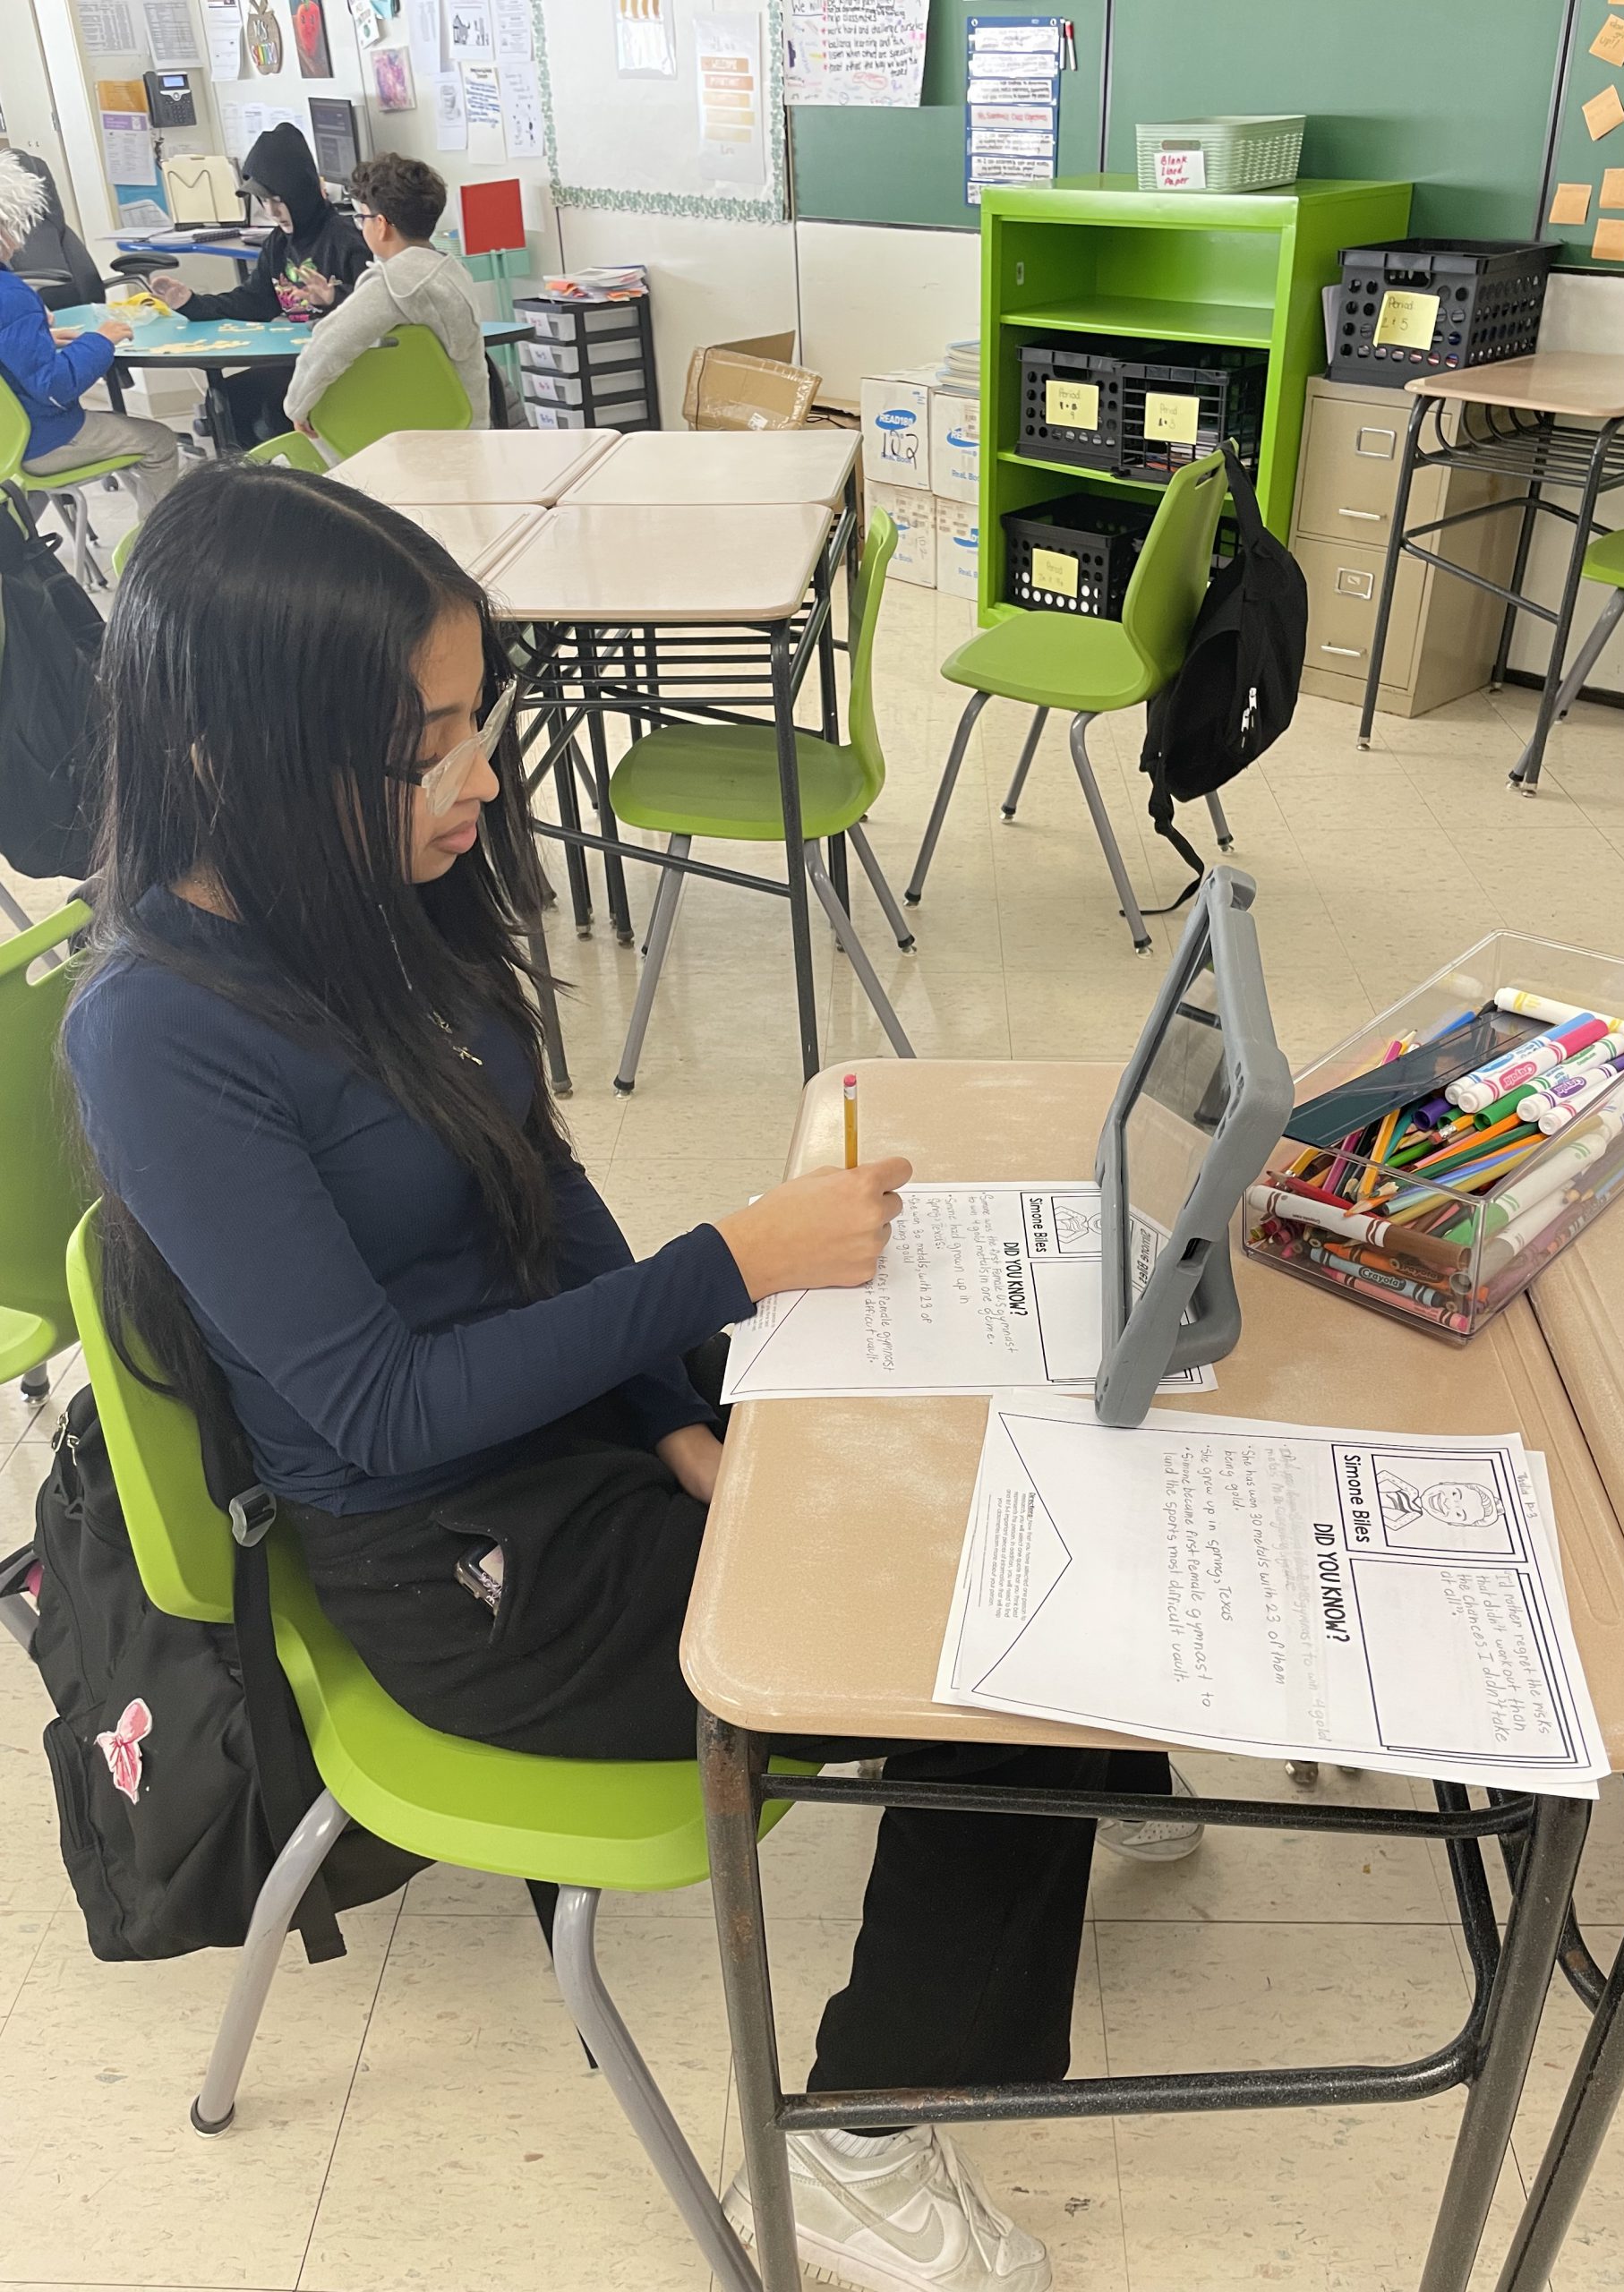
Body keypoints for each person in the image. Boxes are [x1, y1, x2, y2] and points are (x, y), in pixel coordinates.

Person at [64, 460, 1194, 2292]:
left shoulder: (370, 884)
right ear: (253, 757)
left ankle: (1070, 1777)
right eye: (430, 741)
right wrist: (729, 1267)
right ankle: (851, 2142)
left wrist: (677, 1401)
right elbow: (380, 1410)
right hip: (449, 1546)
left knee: (988, 1446)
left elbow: (541, 1176)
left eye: (477, 717)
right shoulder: (158, 1030)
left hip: (566, 1414)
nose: (485, 776)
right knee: (990, 1612)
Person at [150, 124, 369, 447]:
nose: (272, 212)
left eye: (280, 200)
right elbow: (254, 301)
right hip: (290, 360)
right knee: (224, 400)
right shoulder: (278, 244)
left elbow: (375, 305)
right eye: (265, 201)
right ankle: (248, 484)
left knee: (273, 414)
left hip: (336, 365)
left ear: (302, 193)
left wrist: (334, 297)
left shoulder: (346, 240)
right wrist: (191, 303)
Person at [0, 152, 181, 517]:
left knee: (128, 442)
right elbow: (55, 387)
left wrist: (42, 341)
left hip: (8, 439)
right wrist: (101, 340)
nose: (17, 244)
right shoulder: (11, 295)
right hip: (42, 440)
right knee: (159, 442)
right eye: (9, 230)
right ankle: (161, 556)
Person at [283, 153, 488, 437]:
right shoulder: (453, 272)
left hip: (406, 438)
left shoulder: (393, 285)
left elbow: (327, 346)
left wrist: (297, 407)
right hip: (469, 429)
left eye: (361, 218)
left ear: (380, 224)